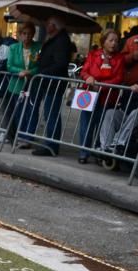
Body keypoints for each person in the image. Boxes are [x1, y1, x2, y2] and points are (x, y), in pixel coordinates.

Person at [22, 15, 71, 155]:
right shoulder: (54, 39)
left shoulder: (61, 40)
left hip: (53, 83)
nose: (46, 26)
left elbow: (60, 63)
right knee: (49, 113)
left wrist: (43, 72)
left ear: (53, 26)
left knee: (51, 114)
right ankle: (50, 144)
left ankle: (51, 146)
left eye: (48, 24)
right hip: (48, 82)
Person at [76, 30, 125, 163]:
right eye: (111, 40)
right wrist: (88, 77)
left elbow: (118, 78)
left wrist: (101, 86)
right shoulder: (93, 55)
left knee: (102, 125)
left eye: (116, 41)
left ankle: (99, 151)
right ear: (103, 41)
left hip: (108, 97)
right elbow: (84, 71)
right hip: (89, 94)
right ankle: (83, 152)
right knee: (86, 124)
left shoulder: (120, 58)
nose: (114, 43)